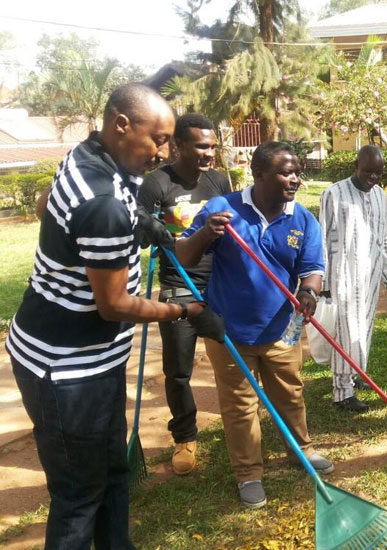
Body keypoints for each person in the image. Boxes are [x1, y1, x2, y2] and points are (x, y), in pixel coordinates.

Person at [5, 83, 224, 550]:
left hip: (96, 358)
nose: (164, 151)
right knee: (79, 496)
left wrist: (145, 225)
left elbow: (48, 205)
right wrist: (186, 311)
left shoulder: (92, 156)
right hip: (64, 369)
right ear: (121, 125)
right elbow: (115, 305)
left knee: (113, 473)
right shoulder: (100, 200)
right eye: (159, 139)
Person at [176, 140, 333, 510]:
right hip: (230, 332)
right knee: (239, 405)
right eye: (285, 171)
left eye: (297, 171)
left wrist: (309, 294)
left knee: (290, 394)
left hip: (281, 329)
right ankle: (248, 473)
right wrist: (205, 233)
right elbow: (183, 253)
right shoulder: (222, 209)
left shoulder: (303, 219)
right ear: (259, 174)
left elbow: (312, 270)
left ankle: (301, 451)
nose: (294, 178)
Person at [137, 113, 232, 475]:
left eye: (212, 146)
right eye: (202, 146)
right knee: (178, 372)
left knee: (239, 354)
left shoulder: (219, 181)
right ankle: (185, 437)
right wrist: (152, 227)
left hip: (220, 286)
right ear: (178, 146)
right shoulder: (156, 183)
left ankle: (242, 418)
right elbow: (140, 231)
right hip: (178, 288)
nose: (209, 153)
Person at [319, 145, 387, 413]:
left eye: (378, 173)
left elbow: (385, 235)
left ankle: (354, 376)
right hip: (342, 275)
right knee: (347, 332)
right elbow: (322, 239)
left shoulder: (379, 195)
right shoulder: (334, 194)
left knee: (363, 329)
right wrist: (324, 283)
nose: (373, 178)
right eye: (368, 172)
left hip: (370, 274)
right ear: (356, 166)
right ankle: (342, 393)